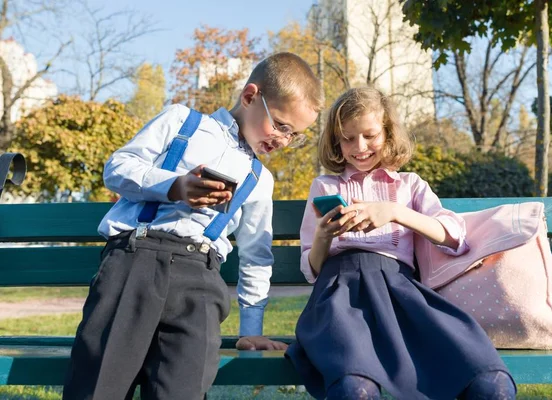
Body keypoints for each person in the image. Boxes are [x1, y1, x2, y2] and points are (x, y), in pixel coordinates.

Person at [63, 52, 323, 400]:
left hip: (200, 280)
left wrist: (251, 329)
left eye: (295, 135)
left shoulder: (260, 179)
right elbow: (118, 167)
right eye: (280, 125)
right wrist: (174, 186)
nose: (283, 140)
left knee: (183, 388)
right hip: (135, 261)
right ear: (249, 97)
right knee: (100, 385)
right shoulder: (181, 121)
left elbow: (256, 256)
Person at [285, 87, 516, 400]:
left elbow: (454, 237)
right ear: (336, 140)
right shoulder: (325, 185)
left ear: (389, 134)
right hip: (340, 297)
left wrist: (395, 212)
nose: (359, 147)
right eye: (348, 138)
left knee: (491, 384)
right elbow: (311, 268)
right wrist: (325, 235)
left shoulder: (411, 185)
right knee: (355, 390)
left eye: (369, 135)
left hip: (401, 295)